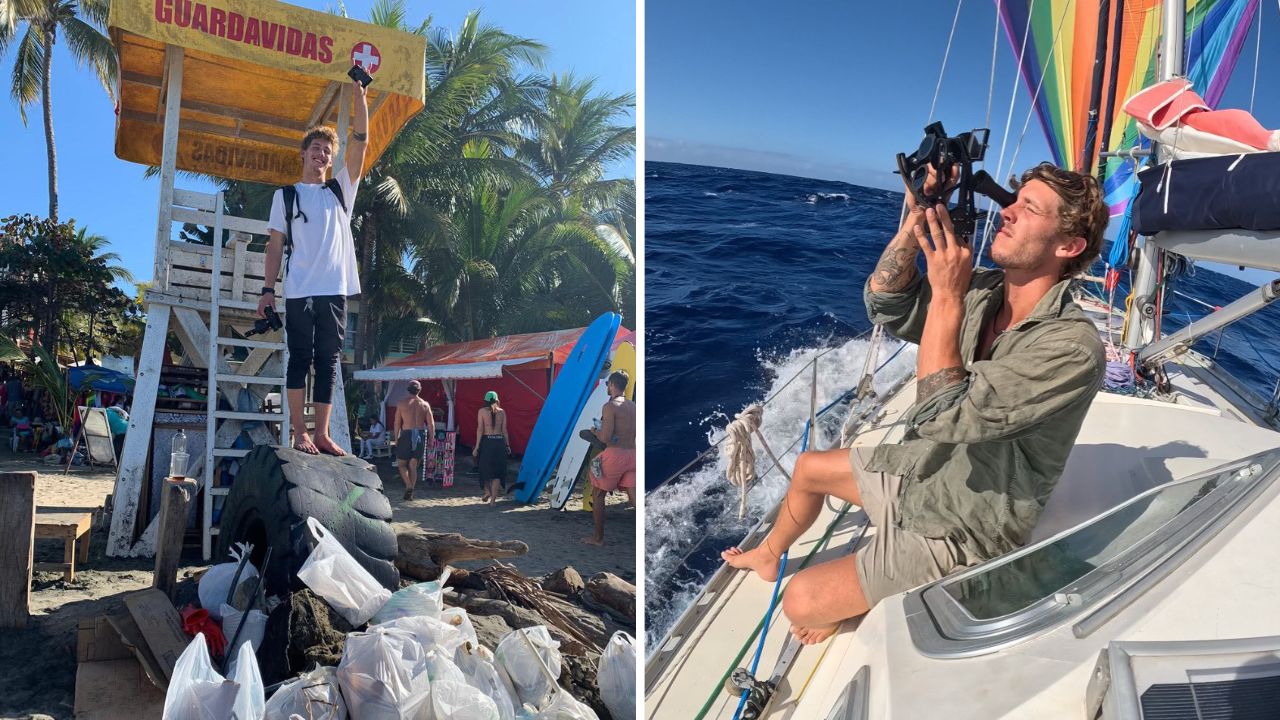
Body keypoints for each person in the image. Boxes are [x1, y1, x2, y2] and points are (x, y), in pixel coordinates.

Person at [722, 162, 1108, 645]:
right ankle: (769, 552)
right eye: (1013, 200)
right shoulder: (985, 289)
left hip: (965, 525)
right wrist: (918, 216)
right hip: (930, 472)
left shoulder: (1070, 347)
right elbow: (886, 302)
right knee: (807, 468)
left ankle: (849, 600)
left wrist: (947, 295)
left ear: (1068, 246)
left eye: (1029, 208)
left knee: (800, 600)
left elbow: (943, 414)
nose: (1006, 212)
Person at [259, 78, 371, 456]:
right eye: (316, 149)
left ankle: (321, 433)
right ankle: (298, 432)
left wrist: (360, 97)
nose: (322, 156)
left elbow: (361, 143)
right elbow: (275, 245)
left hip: (333, 289)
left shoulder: (340, 191)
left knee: (329, 361)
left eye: (327, 152)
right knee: (299, 359)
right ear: (303, 154)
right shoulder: (286, 195)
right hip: (299, 289)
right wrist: (266, 290)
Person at [582, 370, 636, 546]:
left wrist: (594, 431)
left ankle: (598, 538)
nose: (607, 387)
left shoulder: (610, 406)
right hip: (633, 454)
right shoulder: (633, 405)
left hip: (615, 454)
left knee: (598, 494)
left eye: (607, 384)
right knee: (633, 495)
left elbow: (605, 438)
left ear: (612, 384)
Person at [393, 380, 434, 500]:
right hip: (420, 434)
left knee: (401, 464)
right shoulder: (425, 404)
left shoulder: (401, 403)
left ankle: (409, 485)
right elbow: (431, 424)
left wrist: (396, 438)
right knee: (413, 465)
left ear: (408, 389)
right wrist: (431, 439)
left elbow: (397, 423)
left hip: (406, 434)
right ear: (419, 390)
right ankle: (411, 492)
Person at [473, 391, 510, 505]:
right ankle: (493, 501)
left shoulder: (482, 411)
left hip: (487, 442)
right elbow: (504, 431)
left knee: (483, 469)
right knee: (497, 472)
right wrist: (508, 445)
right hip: (499, 442)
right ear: (497, 400)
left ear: (485, 401)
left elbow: (480, 429)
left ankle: (487, 491)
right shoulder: (502, 412)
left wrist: (477, 446)